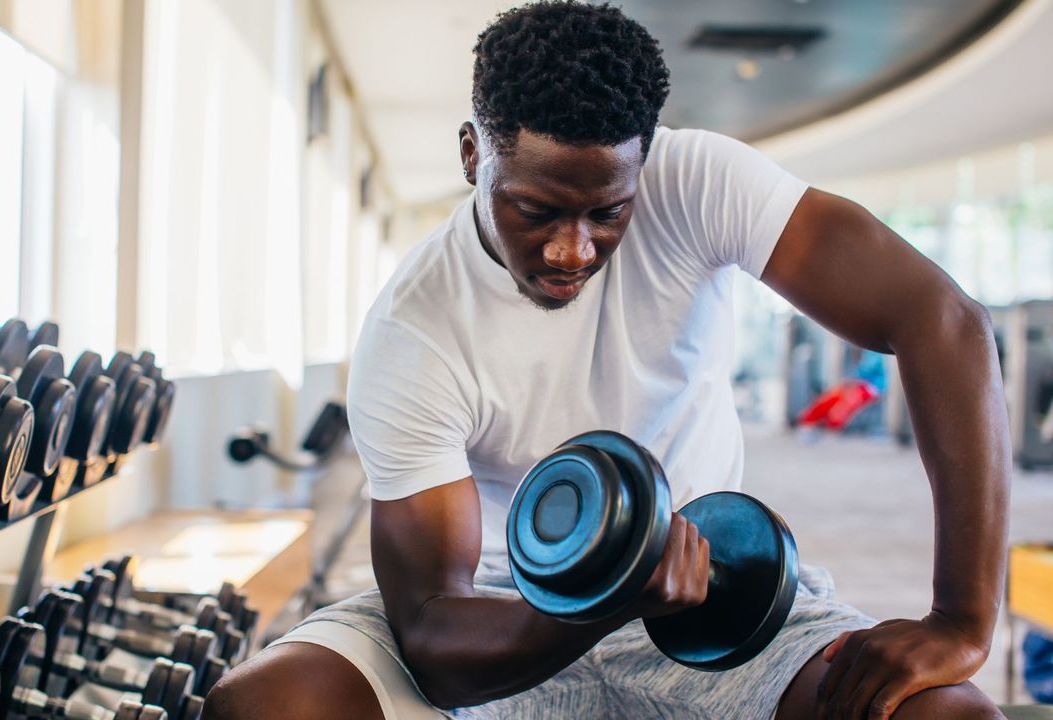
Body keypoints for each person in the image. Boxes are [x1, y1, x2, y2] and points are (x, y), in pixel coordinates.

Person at [204, 3, 1009, 719]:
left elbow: (943, 322)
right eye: (535, 209)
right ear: (470, 155)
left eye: (607, 212)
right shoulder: (414, 330)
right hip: (495, 614)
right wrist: (605, 597)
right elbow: (432, 638)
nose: (571, 249)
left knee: (949, 715)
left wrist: (962, 620)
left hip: (709, 595)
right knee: (270, 703)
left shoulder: (700, 182)